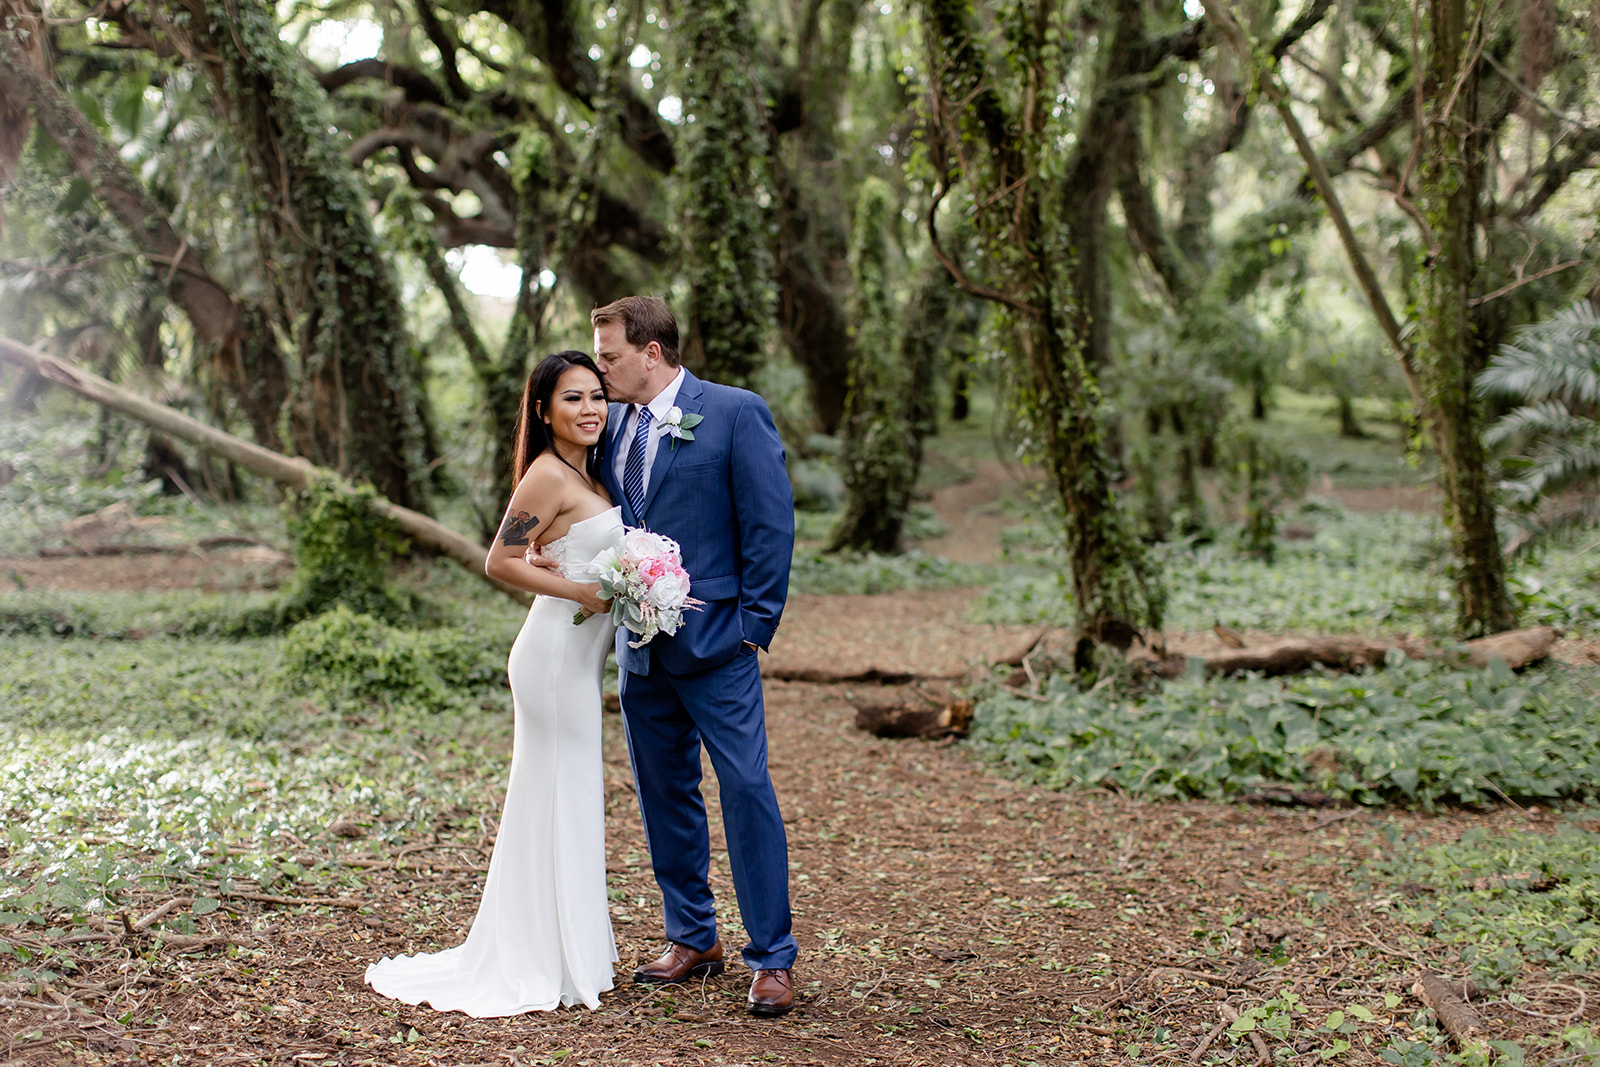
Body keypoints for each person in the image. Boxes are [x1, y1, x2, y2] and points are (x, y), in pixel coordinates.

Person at [364, 351, 622, 1016]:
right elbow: (499, 559)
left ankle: (568, 951)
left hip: (577, 656)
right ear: (543, 410)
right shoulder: (545, 474)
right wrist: (580, 591)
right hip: (552, 654)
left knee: (567, 791)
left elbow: (556, 546)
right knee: (555, 789)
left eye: (597, 395)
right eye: (573, 398)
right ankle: (540, 956)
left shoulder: (584, 472)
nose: (590, 408)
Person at [590, 295, 799, 1015]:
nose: (602, 368)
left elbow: (770, 522)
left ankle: (772, 957)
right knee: (662, 792)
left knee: (745, 788)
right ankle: (692, 934)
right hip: (640, 649)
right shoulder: (609, 423)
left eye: (611, 355)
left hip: (718, 646)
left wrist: (752, 627)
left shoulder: (736, 411)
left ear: (652, 352)